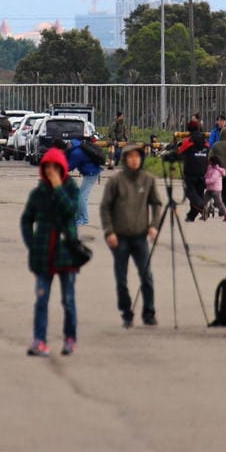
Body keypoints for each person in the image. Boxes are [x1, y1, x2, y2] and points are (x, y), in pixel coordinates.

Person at [20, 148, 82, 357]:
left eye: (55, 168)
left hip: (66, 252)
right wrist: (32, 243)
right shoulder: (38, 193)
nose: (51, 171)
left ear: (62, 169)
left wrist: (58, 188)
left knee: (68, 300)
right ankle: (39, 340)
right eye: (47, 167)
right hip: (43, 253)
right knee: (41, 299)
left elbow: (72, 211)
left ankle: (70, 338)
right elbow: (26, 219)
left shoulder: (71, 188)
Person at [100, 143, 162, 328]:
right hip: (119, 238)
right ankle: (126, 311)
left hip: (140, 236)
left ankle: (149, 311)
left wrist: (154, 226)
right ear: (125, 159)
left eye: (137, 157)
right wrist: (109, 231)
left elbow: (156, 204)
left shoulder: (148, 180)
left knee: (146, 276)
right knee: (121, 278)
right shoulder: (116, 181)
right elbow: (105, 207)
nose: (134, 160)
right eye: (130, 157)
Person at [67, 133, 103, 227]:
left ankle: (83, 219)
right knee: (81, 196)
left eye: (69, 144)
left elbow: (69, 167)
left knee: (82, 197)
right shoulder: (80, 148)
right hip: (91, 172)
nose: (68, 145)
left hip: (91, 174)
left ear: (72, 144)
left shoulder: (76, 153)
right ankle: (80, 218)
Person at [178, 122, 209, 222]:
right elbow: (209, 152)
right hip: (203, 172)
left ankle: (202, 206)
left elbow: (180, 153)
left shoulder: (188, 141)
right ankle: (191, 216)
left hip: (190, 172)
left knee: (190, 192)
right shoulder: (206, 141)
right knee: (198, 194)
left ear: (188, 129)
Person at [203, 155, 226, 221]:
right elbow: (206, 174)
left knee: (218, 203)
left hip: (216, 190)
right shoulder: (209, 168)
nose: (208, 162)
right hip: (209, 189)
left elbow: (213, 180)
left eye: (210, 161)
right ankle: (204, 214)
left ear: (213, 161)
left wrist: (204, 181)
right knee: (204, 201)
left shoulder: (217, 170)